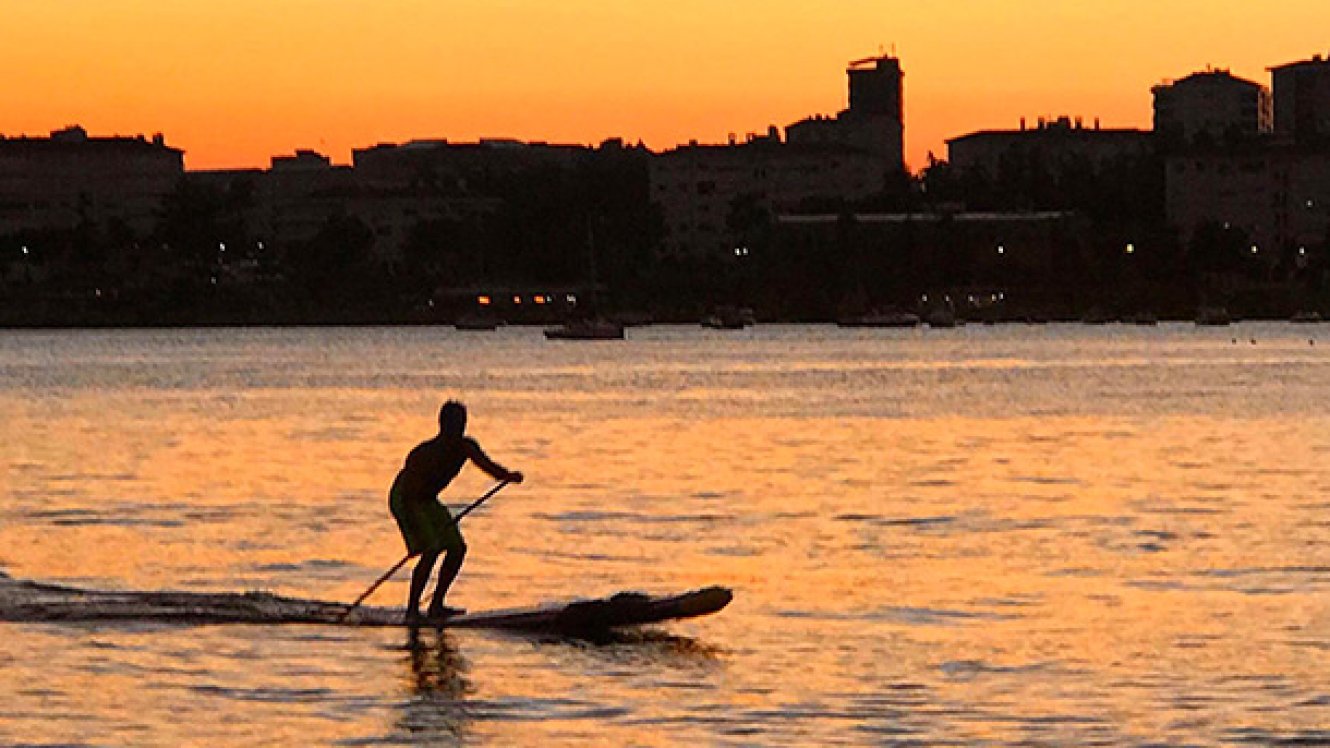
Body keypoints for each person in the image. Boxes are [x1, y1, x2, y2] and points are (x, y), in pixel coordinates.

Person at [389, 400, 523, 624]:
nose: (458, 429)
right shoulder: (422, 453)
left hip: (428, 500)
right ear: (442, 425)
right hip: (405, 499)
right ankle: (412, 610)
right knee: (431, 549)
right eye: (453, 424)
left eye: (461, 423)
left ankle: (436, 605)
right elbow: (410, 493)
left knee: (457, 548)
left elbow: (487, 466)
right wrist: (418, 535)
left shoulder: (466, 447)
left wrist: (508, 476)